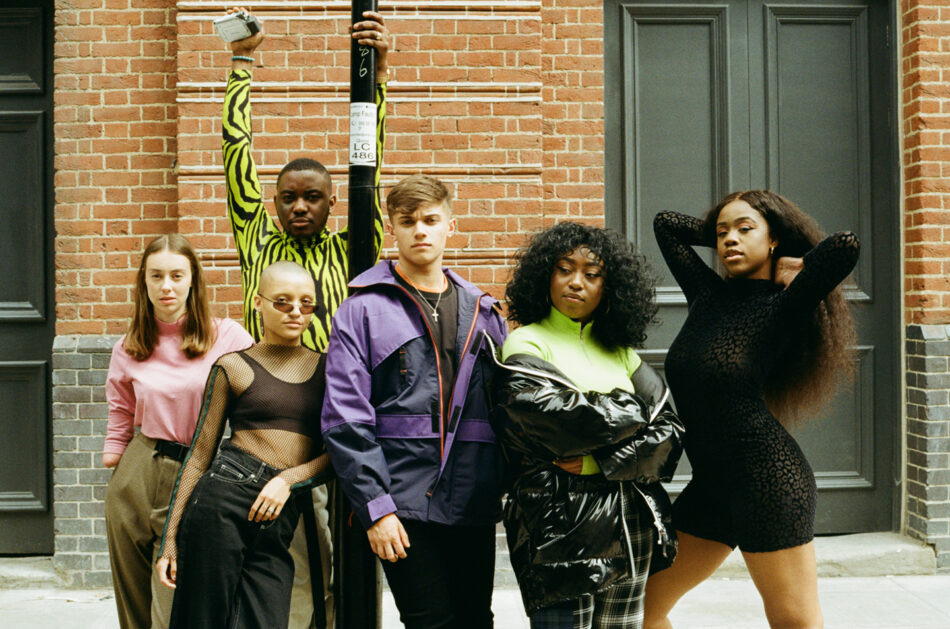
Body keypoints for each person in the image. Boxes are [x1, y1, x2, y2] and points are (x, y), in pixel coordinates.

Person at [221, 7, 391, 626]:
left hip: (336, 407)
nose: (299, 206)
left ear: (332, 203)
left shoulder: (354, 249)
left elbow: (373, 162)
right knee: (282, 555)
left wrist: (379, 77)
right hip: (271, 412)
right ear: (273, 204)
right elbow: (235, 157)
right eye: (288, 197)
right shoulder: (258, 244)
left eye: (312, 197)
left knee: (346, 552)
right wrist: (241, 64)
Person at [644, 191, 860, 629]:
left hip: (768, 481)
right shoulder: (706, 294)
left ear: (773, 238)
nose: (730, 240)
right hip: (711, 487)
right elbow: (665, 223)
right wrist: (726, 230)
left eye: (745, 229)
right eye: (722, 232)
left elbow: (845, 246)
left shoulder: (784, 304)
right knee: (641, 608)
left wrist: (797, 263)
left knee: (794, 621)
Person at [321, 175, 508, 628]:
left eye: (430, 220)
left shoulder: (483, 310)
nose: (420, 230)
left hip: (472, 498)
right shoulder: (361, 309)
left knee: (476, 621)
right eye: (408, 222)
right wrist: (375, 507)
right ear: (392, 229)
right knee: (429, 622)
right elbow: (345, 418)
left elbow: (506, 411)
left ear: (450, 226)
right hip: (401, 499)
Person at [492, 222, 685, 629]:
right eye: (564, 269)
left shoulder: (622, 353)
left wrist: (598, 463)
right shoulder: (526, 343)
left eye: (592, 274)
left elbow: (669, 433)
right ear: (545, 277)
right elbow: (561, 425)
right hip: (562, 533)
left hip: (632, 528)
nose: (576, 282)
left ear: (608, 287)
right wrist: (634, 410)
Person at [155, 261, 331, 629]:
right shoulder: (232, 366)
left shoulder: (329, 371)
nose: (295, 311)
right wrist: (170, 539)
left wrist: (288, 480)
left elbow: (338, 456)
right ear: (258, 302)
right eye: (282, 301)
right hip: (223, 497)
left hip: (279, 510)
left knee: (266, 618)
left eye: (306, 303)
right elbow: (199, 455)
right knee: (201, 621)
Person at [103, 234, 254, 629]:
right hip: (138, 470)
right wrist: (116, 462)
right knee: (133, 605)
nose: (166, 286)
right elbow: (121, 411)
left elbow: (257, 401)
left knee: (173, 604)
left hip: (195, 471)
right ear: (144, 281)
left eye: (176, 275)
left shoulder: (228, 338)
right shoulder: (129, 345)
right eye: (156, 276)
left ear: (193, 280)